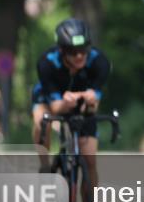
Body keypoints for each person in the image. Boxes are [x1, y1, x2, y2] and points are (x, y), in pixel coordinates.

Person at [31, 18, 111, 185]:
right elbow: (55, 107)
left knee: (90, 161)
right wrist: (65, 102)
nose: (80, 56)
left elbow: (93, 107)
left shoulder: (100, 62)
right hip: (51, 98)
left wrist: (89, 100)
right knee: (41, 121)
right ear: (61, 50)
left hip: (81, 102)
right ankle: (45, 166)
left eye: (83, 50)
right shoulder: (47, 63)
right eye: (73, 52)